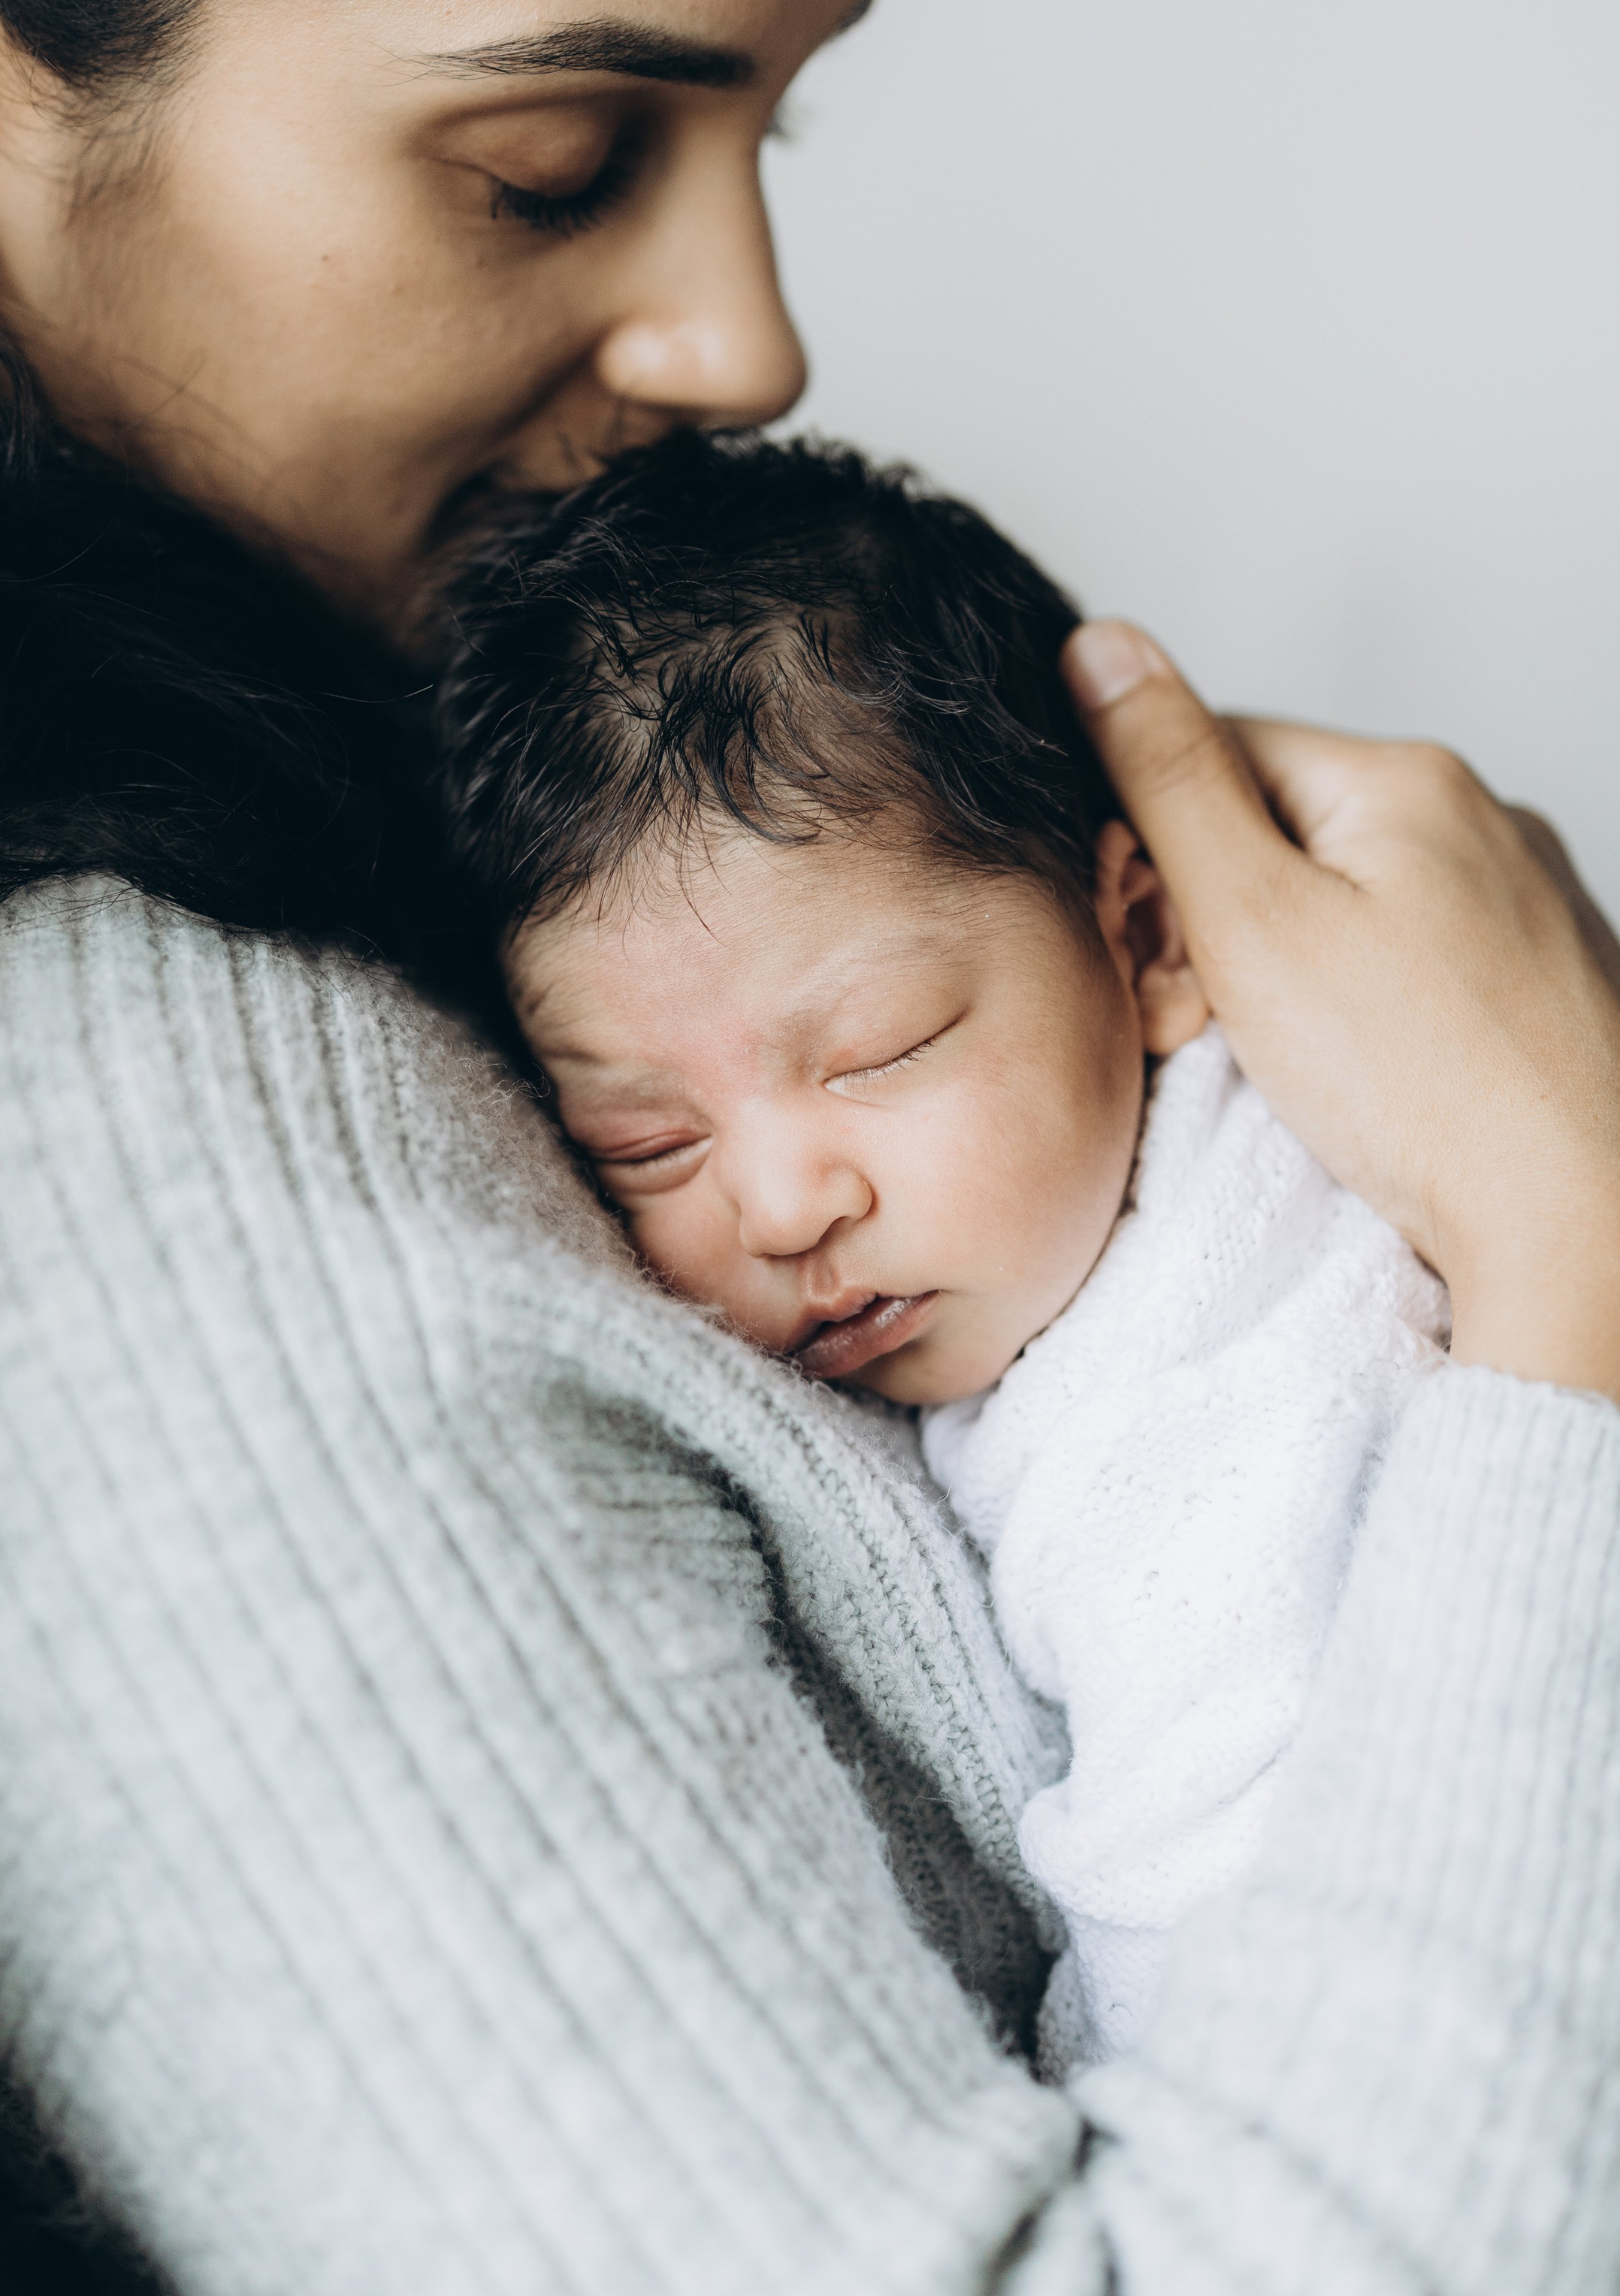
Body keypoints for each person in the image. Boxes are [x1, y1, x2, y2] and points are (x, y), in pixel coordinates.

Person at [0, 0, 1619, 2291]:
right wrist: (1572, 1265)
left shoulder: (387, 829)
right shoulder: (93, 1182)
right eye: (554, 159)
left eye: (771, 139)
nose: (745, 336)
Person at [434, 427, 1452, 2077]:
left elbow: (1240, 1953)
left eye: (878, 1047)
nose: (779, 1207)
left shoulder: (1234, 1360)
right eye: (645, 1144)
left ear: (1146, 937)